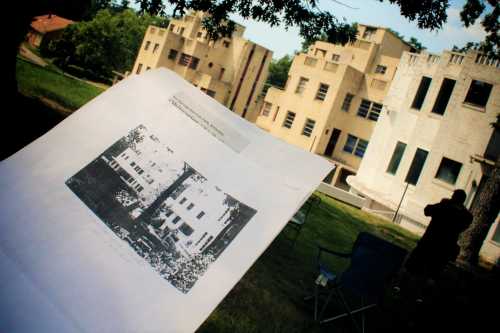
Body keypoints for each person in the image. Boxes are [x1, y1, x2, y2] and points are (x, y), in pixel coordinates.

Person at [405, 189, 473, 279]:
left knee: (413, 268)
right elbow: (462, 227)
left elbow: (427, 210)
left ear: (455, 198)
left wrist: (442, 204)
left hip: (429, 243)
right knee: (432, 274)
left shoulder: (445, 206)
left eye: (453, 196)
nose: (451, 197)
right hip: (444, 248)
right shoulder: (466, 215)